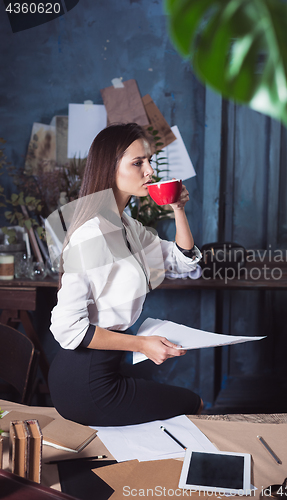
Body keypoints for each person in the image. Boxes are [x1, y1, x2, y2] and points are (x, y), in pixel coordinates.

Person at [48, 123, 203, 426]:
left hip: (107, 369)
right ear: (110, 169)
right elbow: (67, 328)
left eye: (149, 162)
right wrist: (142, 345)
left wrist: (178, 209)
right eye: (137, 163)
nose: (150, 172)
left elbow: (182, 261)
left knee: (184, 406)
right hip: (84, 382)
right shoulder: (91, 234)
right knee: (192, 403)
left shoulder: (127, 227)